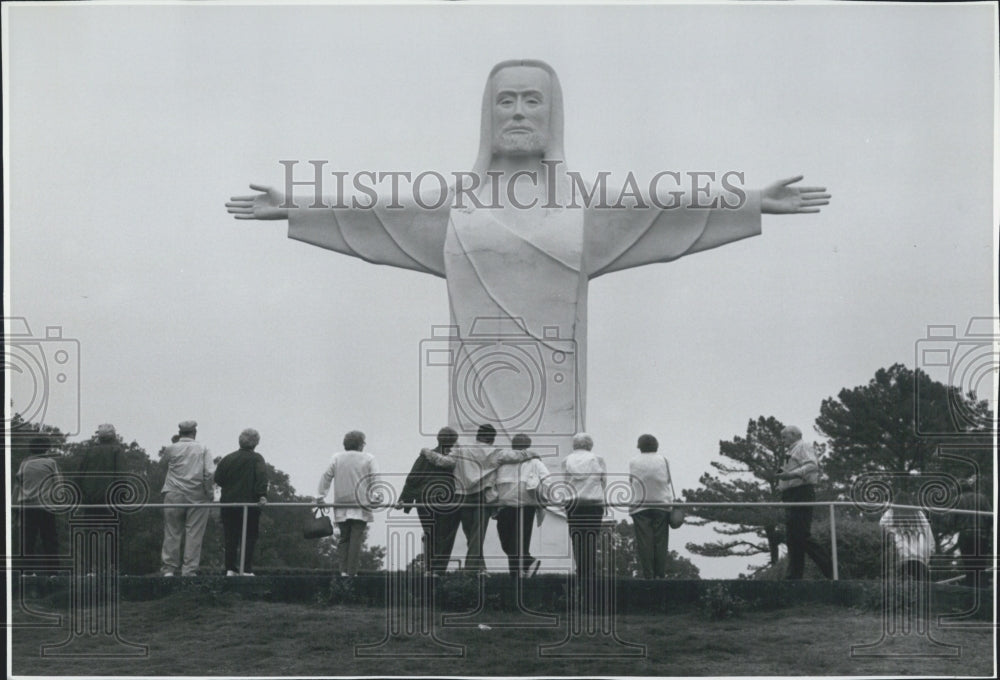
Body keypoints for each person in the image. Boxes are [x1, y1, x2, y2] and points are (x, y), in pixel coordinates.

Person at [228, 60, 830, 460]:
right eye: (506, 102)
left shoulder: (584, 207)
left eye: (532, 102)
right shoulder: (454, 206)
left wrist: (753, 202)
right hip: (477, 379)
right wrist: (296, 208)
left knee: (548, 470)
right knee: (476, 465)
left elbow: (667, 207)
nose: (517, 113)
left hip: (556, 386)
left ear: (553, 117)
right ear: (488, 117)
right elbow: (374, 210)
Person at [419, 424, 539, 573]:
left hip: (458, 496)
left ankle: (436, 571)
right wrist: (533, 453)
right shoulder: (496, 452)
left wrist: (427, 452)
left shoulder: (460, 450)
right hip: (480, 498)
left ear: (477, 435)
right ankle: (472, 571)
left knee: (446, 535)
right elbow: (518, 455)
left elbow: (443, 462)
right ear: (492, 439)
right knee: (475, 538)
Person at [316, 430, 378, 576]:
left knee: (344, 538)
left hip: (342, 502)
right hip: (360, 502)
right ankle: (352, 573)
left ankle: (343, 571)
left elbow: (326, 476)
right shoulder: (369, 458)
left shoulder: (337, 457)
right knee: (356, 538)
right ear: (361, 444)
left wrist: (320, 496)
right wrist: (376, 498)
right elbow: (375, 479)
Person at [398, 427, 459, 574]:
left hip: (425, 500)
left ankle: (430, 569)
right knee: (445, 536)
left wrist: (404, 500)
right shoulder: (459, 459)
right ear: (454, 441)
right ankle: (439, 570)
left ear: (438, 439)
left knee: (430, 532)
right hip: (448, 499)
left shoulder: (425, 456)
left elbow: (413, 478)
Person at [160, 420, 215, 577]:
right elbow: (210, 473)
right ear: (194, 432)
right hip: (197, 494)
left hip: (173, 492)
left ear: (180, 433)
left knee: (171, 531)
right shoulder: (203, 448)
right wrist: (209, 492)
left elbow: (162, 466)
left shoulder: (171, 449)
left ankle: (168, 569)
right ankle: (189, 570)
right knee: (194, 533)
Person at [776, 425, 832, 580]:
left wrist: (792, 475)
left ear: (794, 435)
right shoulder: (790, 451)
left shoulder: (803, 446)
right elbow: (788, 472)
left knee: (801, 534)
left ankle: (831, 570)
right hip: (791, 495)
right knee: (792, 537)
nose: (782, 440)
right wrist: (781, 479)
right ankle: (794, 576)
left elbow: (812, 465)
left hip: (801, 493)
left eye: (784, 437)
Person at [214, 428, 269, 576]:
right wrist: (261, 495)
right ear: (256, 443)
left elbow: (218, 479)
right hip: (249, 504)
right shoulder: (257, 458)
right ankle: (246, 569)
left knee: (230, 537)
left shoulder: (227, 458)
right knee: (249, 536)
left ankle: (230, 568)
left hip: (228, 504)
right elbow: (262, 477)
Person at [494, 433, 550, 578]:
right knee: (511, 543)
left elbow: (547, 481)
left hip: (524, 507)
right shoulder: (504, 462)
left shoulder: (535, 463)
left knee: (514, 543)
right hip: (509, 507)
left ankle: (517, 575)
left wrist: (541, 499)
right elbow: (548, 481)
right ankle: (527, 562)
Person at [561, 432, 607, 581]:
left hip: (573, 503)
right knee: (591, 536)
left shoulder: (566, 460)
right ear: (589, 445)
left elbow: (565, 482)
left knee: (576, 537)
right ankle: (590, 570)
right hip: (593, 503)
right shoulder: (598, 459)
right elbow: (603, 481)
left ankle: (580, 569)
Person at [628, 434, 674, 579]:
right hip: (661, 504)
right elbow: (667, 480)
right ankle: (660, 574)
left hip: (640, 505)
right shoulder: (664, 459)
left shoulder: (633, 461)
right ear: (656, 445)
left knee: (644, 542)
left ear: (639, 446)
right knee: (660, 541)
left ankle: (648, 574)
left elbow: (631, 481)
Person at [14, 438, 63, 572]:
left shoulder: (24, 464)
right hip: (46, 507)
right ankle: (53, 571)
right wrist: (59, 501)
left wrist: (15, 506)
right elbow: (58, 485)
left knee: (28, 541)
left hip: (27, 507)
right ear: (46, 448)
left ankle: (28, 572)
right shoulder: (51, 463)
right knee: (50, 539)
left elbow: (18, 485)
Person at [879, 492, 934, 582]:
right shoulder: (919, 515)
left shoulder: (890, 514)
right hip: (920, 559)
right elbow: (930, 538)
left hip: (901, 557)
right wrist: (928, 556)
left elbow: (880, 528)